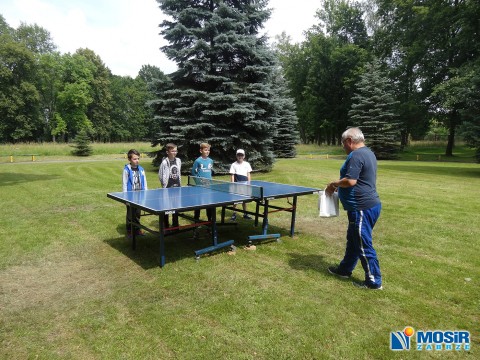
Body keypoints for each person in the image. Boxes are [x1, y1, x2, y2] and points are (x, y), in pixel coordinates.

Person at [325, 127, 383, 290]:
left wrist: (334, 184)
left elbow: (351, 181)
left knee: (363, 244)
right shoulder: (368, 152)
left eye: (343, 143)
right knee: (354, 240)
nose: (343, 147)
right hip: (366, 206)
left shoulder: (356, 155)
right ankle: (345, 269)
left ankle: (374, 281)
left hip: (361, 208)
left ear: (350, 141)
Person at [123, 149, 148, 237]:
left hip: (140, 196)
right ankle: (129, 230)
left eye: (138, 158)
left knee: (137, 214)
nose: (137, 160)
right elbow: (125, 184)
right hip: (130, 196)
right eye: (134, 159)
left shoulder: (141, 169)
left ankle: (137, 230)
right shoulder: (127, 169)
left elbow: (144, 182)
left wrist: (145, 193)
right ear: (129, 159)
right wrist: (125, 197)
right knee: (130, 214)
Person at [158, 143, 181, 229]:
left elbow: (178, 172)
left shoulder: (178, 160)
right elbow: (160, 175)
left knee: (176, 208)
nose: (175, 152)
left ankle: (175, 225)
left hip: (177, 188)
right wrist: (164, 184)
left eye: (176, 150)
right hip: (168, 188)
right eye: (172, 151)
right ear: (167, 152)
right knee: (167, 208)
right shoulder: (164, 162)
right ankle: (166, 226)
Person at [191, 142, 213, 221]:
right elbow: (193, 173)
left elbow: (209, 172)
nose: (207, 152)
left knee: (209, 204)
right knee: (198, 204)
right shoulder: (197, 161)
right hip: (200, 187)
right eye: (205, 150)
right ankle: (196, 221)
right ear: (201, 151)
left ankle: (210, 220)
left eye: (208, 150)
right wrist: (199, 182)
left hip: (209, 186)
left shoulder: (211, 161)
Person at [229, 149, 253, 221]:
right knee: (236, 200)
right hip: (237, 185)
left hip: (245, 184)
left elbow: (248, 174)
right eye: (239, 155)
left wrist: (249, 183)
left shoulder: (247, 164)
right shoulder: (233, 164)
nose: (240, 156)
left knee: (244, 200)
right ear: (236, 156)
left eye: (241, 155)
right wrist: (233, 184)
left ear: (244, 156)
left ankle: (245, 214)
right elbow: (232, 175)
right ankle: (234, 214)